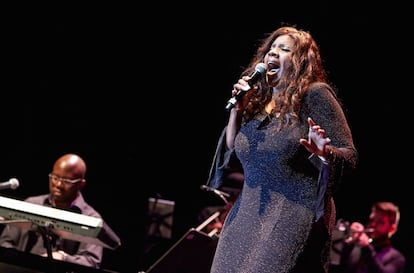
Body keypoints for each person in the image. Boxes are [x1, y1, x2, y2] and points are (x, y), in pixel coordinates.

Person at [205, 24, 358, 273]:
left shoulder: (314, 94)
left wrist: (323, 153)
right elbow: (233, 149)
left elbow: (349, 155)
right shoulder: (259, 101)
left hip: (290, 214)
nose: (272, 54)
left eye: (284, 49)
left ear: (299, 61)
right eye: (271, 48)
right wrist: (238, 110)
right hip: (246, 214)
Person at [0, 153, 103, 269]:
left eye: (67, 181)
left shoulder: (91, 218)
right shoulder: (32, 204)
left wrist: (63, 258)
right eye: (55, 177)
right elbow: (6, 242)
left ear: (81, 184)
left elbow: (91, 262)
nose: (58, 184)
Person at [338, 201, 406, 273]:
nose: (373, 224)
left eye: (380, 222)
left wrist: (367, 247)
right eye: (372, 220)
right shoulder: (357, 248)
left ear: (392, 229)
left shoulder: (397, 258)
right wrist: (348, 244)